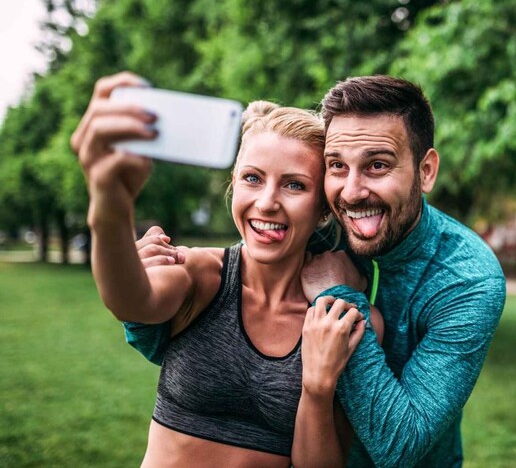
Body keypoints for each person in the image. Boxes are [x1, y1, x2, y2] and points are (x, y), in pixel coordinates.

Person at [138, 75, 507, 467]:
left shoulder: (468, 278)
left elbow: (400, 446)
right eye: (336, 166)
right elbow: (179, 320)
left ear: (426, 170)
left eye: (377, 165)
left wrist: (340, 298)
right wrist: (162, 267)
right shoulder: (324, 226)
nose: (351, 192)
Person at [70, 72, 374, 467]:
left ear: (323, 210)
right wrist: (110, 200)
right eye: (253, 178)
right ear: (234, 184)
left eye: (295, 185)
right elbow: (132, 299)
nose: (266, 202)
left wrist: (317, 387)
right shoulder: (202, 275)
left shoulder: (341, 319)